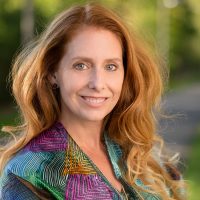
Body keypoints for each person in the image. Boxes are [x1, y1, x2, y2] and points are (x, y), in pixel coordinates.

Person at [0, 3, 185, 200]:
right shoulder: (28, 174)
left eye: (111, 66)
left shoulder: (143, 156)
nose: (98, 83)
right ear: (53, 72)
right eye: (81, 65)